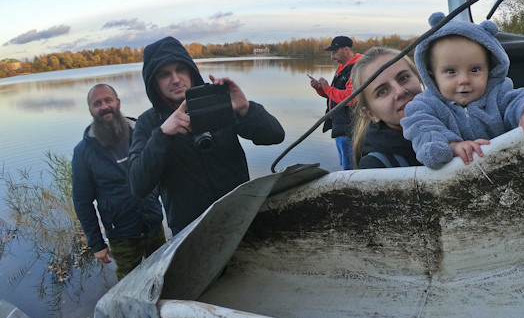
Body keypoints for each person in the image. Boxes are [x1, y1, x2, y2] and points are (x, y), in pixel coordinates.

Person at [129, 36, 285, 235]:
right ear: (154, 82)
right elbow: (138, 186)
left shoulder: (217, 102)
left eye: (181, 70)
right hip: (192, 233)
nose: (176, 79)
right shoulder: (148, 124)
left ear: (191, 70)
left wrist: (245, 109)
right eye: (164, 74)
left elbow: (275, 135)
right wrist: (163, 134)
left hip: (241, 219)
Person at [401, 12, 524, 169]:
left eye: (475, 70)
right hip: (456, 183)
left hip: (510, 169)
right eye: (451, 71)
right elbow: (422, 127)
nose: (464, 80)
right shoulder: (425, 105)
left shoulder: (498, 92)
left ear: (489, 69)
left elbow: (517, 99)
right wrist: (452, 145)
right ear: (432, 74)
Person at [72, 84, 165, 279]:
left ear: (118, 102)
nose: (104, 106)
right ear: (90, 110)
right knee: (128, 286)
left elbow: (163, 170)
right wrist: (97, 244)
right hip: (122, 235)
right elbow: (82, 201)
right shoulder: (83, 152)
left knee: (163, 274)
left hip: (154, 223)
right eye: (97, 103)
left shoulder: (140, 132)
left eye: (108, 100)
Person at [350, 47, 424, 169]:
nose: (400, 91)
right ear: (371, 114)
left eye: (404, 78)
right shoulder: (376, 166)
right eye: (382, 91)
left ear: (419, 77)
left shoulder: (459, 121)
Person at [308, 36, 363, 170]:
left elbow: (351, 98)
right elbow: (334, 96)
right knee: (345, 165)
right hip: (340, 127)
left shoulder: (357, 68)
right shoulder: (342, 68)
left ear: (346, 50)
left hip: (350, 129)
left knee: (350, 169)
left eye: (335, 52)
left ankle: (351, 190)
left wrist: (327, 87)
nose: (332, 56)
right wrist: (320, 89)